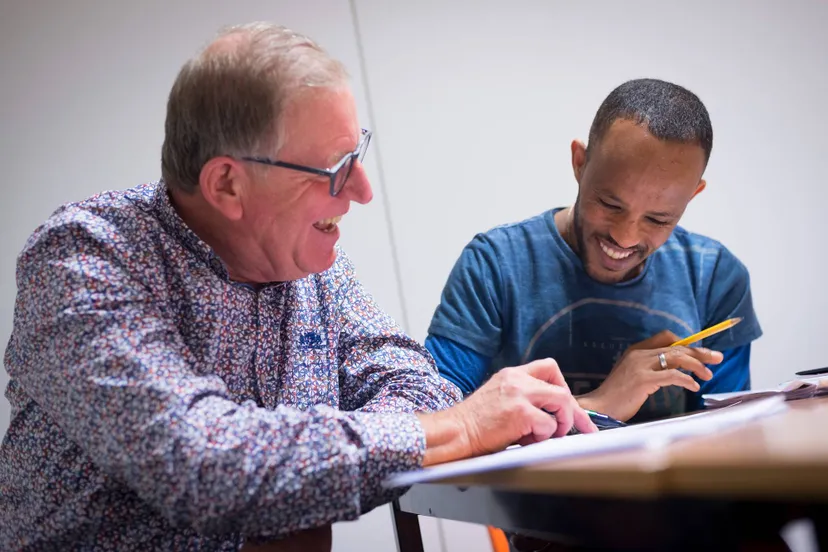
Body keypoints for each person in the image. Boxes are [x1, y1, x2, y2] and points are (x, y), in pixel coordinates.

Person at [0, 22, 595, 552]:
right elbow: (204, 465)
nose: (363, 190)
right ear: (227, 185)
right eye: (335, 168)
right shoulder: (84, 256)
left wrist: (302, 472)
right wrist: (461, 427)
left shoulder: (315, 265)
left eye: (357, 153)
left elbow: (416, 386)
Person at [426, 78, 763, 426]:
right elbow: (433, 426)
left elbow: (730, 430)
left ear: (692, 194)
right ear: (579, 162)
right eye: (610, 204)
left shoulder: (714, 277)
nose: (625, 237)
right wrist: (601, 404)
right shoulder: (495, 265)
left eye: (658, 219)